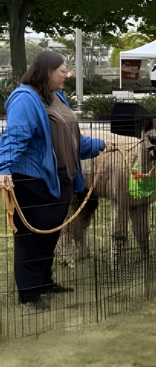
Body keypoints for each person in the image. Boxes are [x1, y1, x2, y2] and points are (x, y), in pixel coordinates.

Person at [0, 51, 105, 311]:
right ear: (47, 72)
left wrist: (101, 144)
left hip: (61, 178)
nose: (67, 75)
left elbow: (69, 138)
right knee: (32, 237)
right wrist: (3, 168)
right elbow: (15, 136)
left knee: (51, 235)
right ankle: (29, 295)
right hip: (33, 180)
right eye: (63, 70)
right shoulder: (25, 99)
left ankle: (44, 282)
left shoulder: (56, 96)